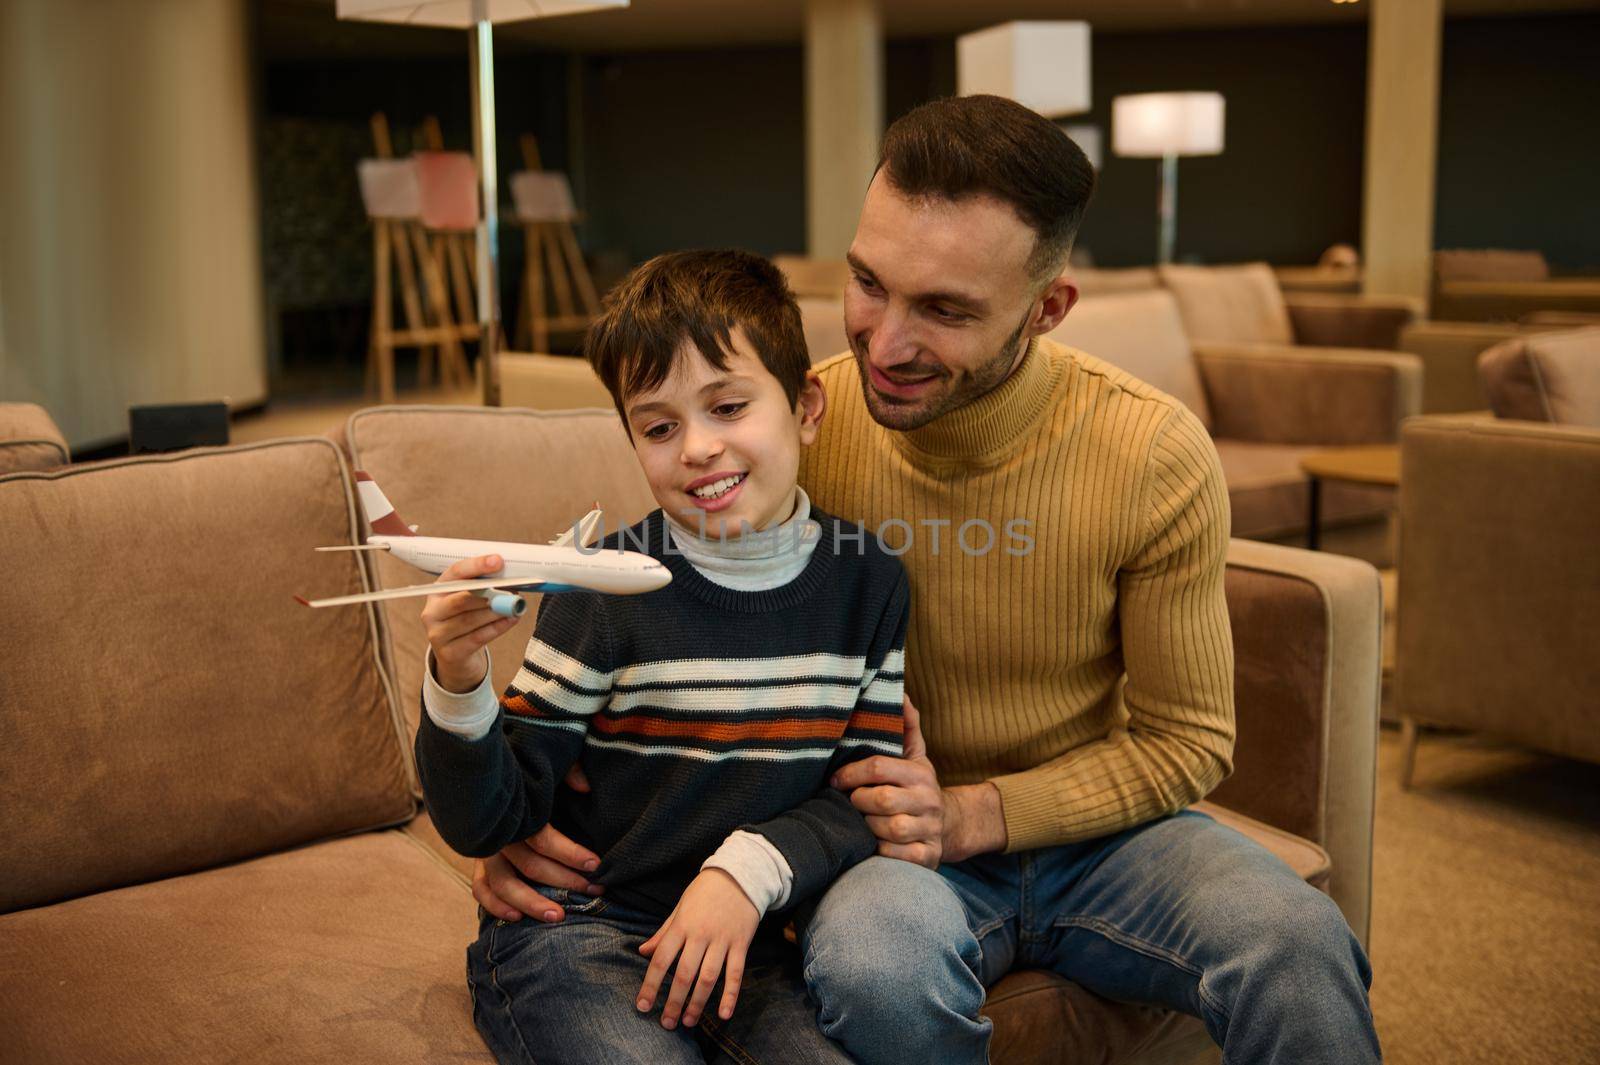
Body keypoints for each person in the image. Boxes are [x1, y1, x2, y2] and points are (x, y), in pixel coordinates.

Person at [475, 95, 1381, 1064]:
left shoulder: (1150, 453)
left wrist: (975, 813)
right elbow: (656, 625)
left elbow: (1187, 742)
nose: (887, 343)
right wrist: (530, 820)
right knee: (878, 967)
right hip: (880, 846)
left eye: (945, 310)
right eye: (869, 284)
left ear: (1048, 309)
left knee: (1297, 942)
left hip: (1103, 839)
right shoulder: (790, 425)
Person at [416, 248, 909, 1065]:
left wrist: (747, 875)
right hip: (579, 933)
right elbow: (488, 821)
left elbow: (863, 796)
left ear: (807, 406)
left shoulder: (869, 583)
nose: (697, 449)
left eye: (727, 406)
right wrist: (460, 683)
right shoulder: (603, 592)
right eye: (659, 425)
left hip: (748, 935)